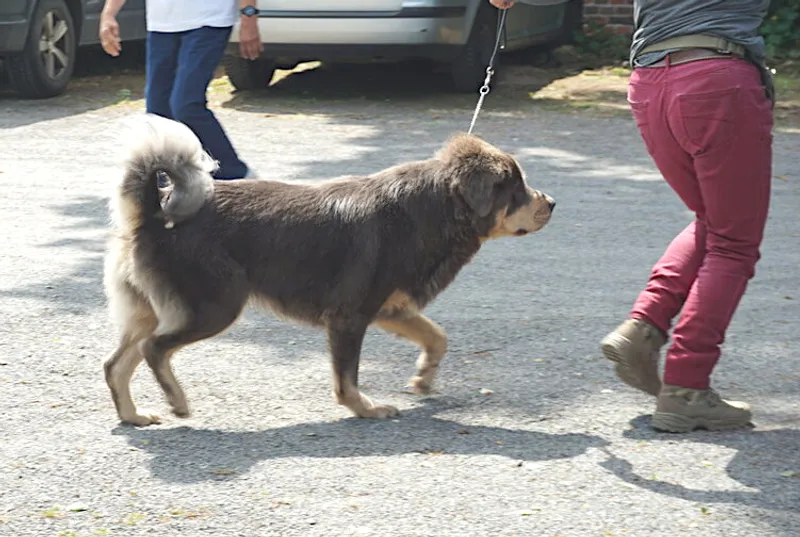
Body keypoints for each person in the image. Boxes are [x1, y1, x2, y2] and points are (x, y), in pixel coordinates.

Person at [490, 0, 775, 432]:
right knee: (733, 242)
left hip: (651, 83)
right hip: (717, 82)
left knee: (714, 220)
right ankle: (687, 388)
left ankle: (644, 327)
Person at [99, 0, 264, 180]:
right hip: (162, 25)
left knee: (186, 105)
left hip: (210, 21)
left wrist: (249, 16)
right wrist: (108, 14)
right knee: (157, 109)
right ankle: (168, 183)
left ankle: (235, 174)